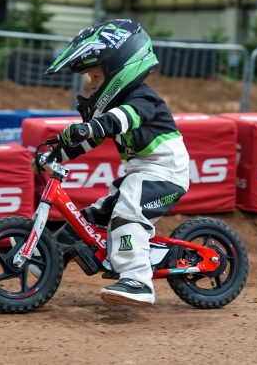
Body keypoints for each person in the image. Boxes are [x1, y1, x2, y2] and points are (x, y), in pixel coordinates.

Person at [42, 19, 190, 306]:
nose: (93, 86)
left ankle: (137, 280)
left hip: (165, 173)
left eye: (95, 78)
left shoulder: (143, 98)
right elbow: (91, 139)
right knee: (88, 218)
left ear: (118, 70)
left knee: (128, 210)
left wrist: (92, 127)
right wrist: (56, 153)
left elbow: (125, 118)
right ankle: (41, 260)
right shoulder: (112, 110)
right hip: (139, 174)